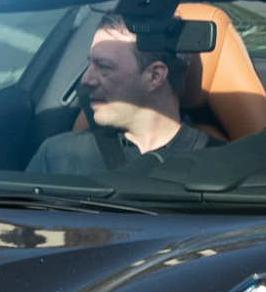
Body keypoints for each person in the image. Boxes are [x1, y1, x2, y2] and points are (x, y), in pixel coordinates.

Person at [27, 15, 219, 173]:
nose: (85, 81)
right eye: (90, 64)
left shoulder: (220, 167)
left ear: (154, 76)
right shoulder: (56, 157)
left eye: (103, 66)